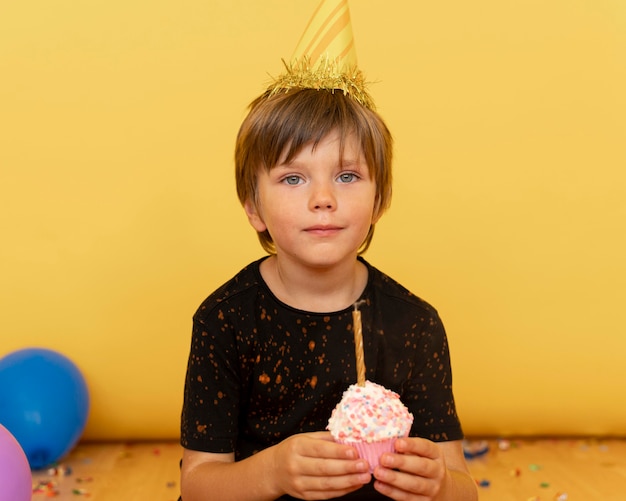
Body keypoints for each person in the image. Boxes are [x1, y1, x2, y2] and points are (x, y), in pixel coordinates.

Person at [179, 1, 478, 500]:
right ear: (254, 207)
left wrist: (440, 484)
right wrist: (272, 471)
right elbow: (197, 485)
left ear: (379, 198)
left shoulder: (414, 325)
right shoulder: (225, 320)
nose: (323, 198)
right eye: (293, 177)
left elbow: (463, 490)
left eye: (347, 175)